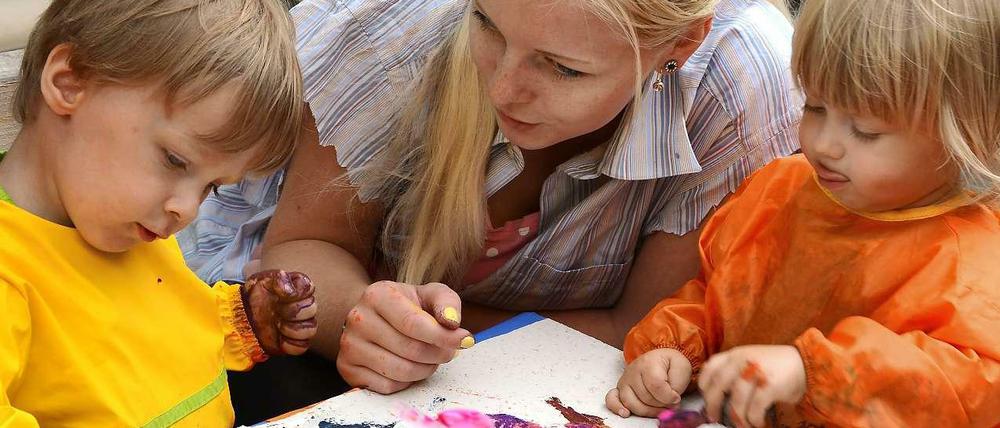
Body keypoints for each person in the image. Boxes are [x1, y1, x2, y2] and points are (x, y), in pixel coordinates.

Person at [181, 0, 800, 413]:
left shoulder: (738, 86)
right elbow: (298, 251)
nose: (502, 86)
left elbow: (645, 334)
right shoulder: (397, 30)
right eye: (487, 25)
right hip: (265, 348)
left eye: (563, 69)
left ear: (682, 45)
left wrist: (429, 338)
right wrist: (362, 318)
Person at [607, 0, 1000, 426]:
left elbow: (974, 387)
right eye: (814, 107)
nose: (824, 144)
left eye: (866, 131)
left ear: (969, 133)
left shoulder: (973, 265)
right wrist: (673, 349)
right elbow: (714, 296)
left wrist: (812, 371)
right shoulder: (780, 192)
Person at [0, 0, 318, 426]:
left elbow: (148, 337)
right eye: (174, 160)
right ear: (70, 82)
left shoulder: (127, 224)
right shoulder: (11, 267)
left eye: (212, 187)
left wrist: (243, 319)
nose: (186, 210)